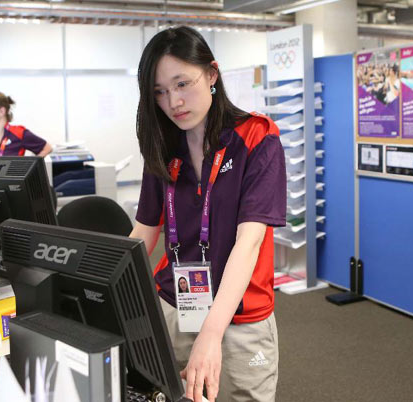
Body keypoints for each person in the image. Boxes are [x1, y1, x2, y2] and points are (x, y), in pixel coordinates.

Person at [129, 27, 286, 402]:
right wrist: (102, 286)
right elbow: (143, 232)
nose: (174, 101)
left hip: (238, 316)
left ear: (212, 74)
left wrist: (211, 334)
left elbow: (249, 244)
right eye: (160, 92)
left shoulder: (257, 138)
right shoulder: (164, 146)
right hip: (176, 303)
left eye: (183, 83)